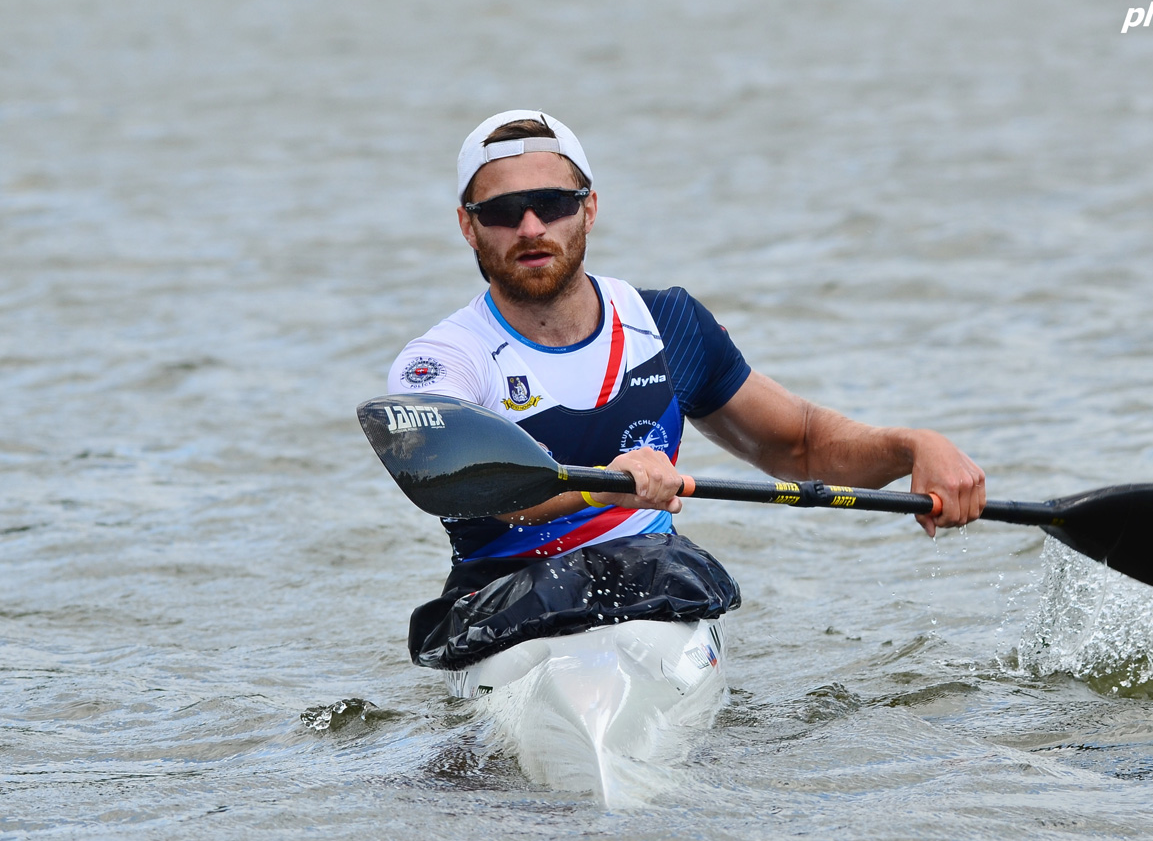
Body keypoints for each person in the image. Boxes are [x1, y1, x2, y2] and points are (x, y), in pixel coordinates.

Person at [389, 110, 986, 666]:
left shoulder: (666, 324)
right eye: (502, 211)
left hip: (651, 584)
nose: (531, 226)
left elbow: (798, 444)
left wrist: (913, 446)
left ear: (590, 209)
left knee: (660, 568)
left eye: (552, 203)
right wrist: (604, 490)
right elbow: (462, 490)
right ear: (468, 226)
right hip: (503, 598)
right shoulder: (442, 362)